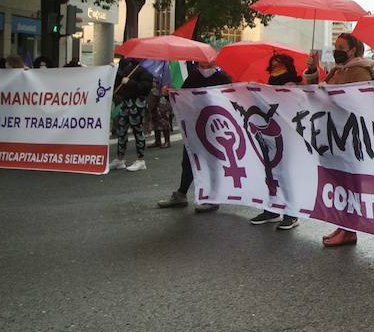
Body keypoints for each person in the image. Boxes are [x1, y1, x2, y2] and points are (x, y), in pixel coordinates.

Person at [321, 32, 374, 247]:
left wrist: (331, 94)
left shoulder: (360, 71)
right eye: (335, 46)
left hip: (351, 135)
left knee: (349, 182)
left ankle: (349, 228)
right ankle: (343, 225)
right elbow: (316, 87)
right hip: (336, 133)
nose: (337, 50)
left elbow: (359, 101)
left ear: (353, 50)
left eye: (341, 47)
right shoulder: (338, 70)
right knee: (340, 182)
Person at [157, 60, 232, 213]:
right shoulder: (194, 76)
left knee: (213, 162)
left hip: (216, 126)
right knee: (189, 159)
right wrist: (170, 93)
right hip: (195, 124)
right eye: (201, 66)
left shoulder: (223, 78)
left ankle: (213, 197)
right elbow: (183, 96)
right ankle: (181, 194)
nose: (204, 70)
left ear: (214, 64)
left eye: (208, 66)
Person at [249, 54, 302, 230]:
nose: (276, 68)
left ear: (288, 66)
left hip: (288, 136)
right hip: (269, 136)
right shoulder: (268, 86)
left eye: (279, 65)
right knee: (270, 173)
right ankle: (271, 209)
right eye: (273, 65)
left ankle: (292, 213)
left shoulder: (293, 85)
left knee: (287, 174)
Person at [111, 57, 154, 172]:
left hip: (137, 103)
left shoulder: (146, 70)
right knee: (121, 129)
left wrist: (129, 82)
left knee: (137, 130)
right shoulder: (130, 68)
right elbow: (120, 82)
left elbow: (145, 88)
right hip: (126, 102)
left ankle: (140, 159)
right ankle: (120, 158)